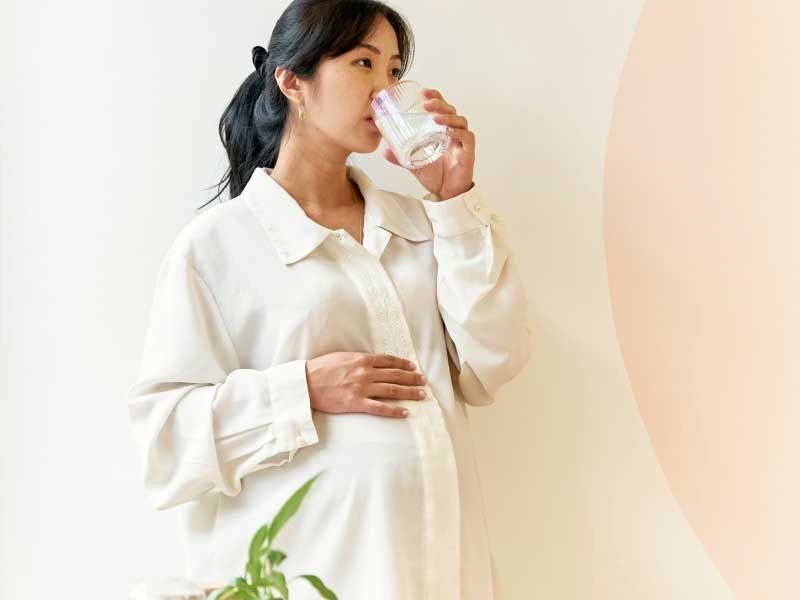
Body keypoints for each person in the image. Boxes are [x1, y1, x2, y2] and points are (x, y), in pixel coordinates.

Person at [126, 1, 531, 598]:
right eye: (362, 63)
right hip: (307, 574)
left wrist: (453, 201)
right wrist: (303, 391)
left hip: (439, 573)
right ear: (293, 81)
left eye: (394, 71)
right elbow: (165, 445)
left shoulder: (425, 226)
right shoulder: (217, 249)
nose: (385, 87)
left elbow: (492, 365)